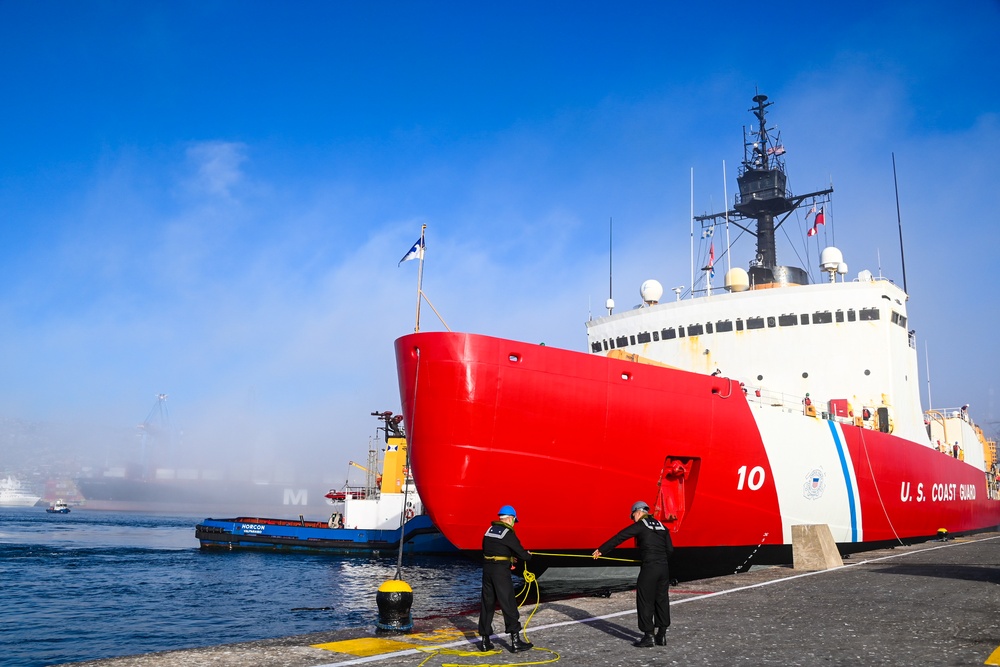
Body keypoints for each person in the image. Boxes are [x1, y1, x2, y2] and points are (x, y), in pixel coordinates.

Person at [593, 501, 674, 648]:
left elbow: (620, 537)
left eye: (633, 516)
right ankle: (661, 635)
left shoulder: (640, 525)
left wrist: (601, 550)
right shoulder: (663, 527)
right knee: (661, 600)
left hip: (649, 568)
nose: (633, 519)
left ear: (638, 512)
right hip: (663, 568)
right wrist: (659, 559)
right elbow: (670, 550)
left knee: (645, 600)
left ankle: (649, 636)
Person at [478, 504, 533, 653]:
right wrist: (528, 555)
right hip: (500, 573)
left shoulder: (488, 531)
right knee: (508, 603)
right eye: (514, 520)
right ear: (509, 518)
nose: (514, 523)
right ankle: (515, 642)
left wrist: (508, 559)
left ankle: (484, 641)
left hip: (487, 571)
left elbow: (488, 550)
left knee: (487, 604)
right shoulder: (508, 533)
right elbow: (522, 554)